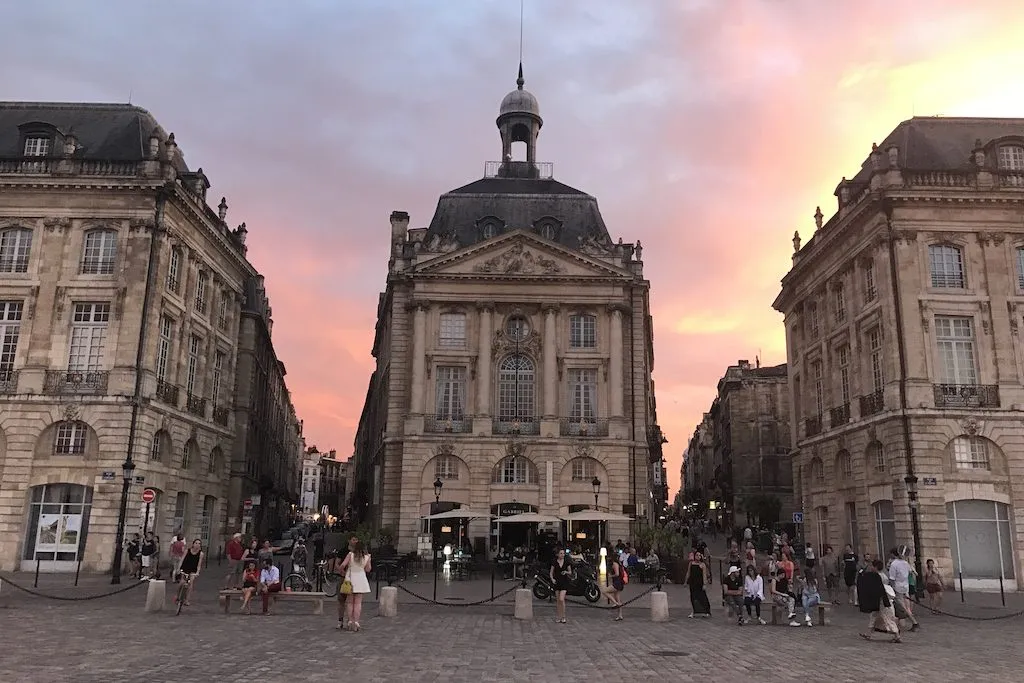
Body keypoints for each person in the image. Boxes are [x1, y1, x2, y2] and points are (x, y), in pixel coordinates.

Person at [858, 559, 900, 643]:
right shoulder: (881, 575)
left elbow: (880, 589)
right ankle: (868, 634)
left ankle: (897, 636)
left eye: (873, 566)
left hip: (882, 601)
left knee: (888, 618)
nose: (871, 568)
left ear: (876, 567)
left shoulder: (878, 576)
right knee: (873, 616)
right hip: (879, 600)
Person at [339, 538, 372, 631]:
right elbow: (368, 569)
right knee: (358, 602)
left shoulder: (350, 555)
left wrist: (342, 571)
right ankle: (356, 622)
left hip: (350, 578)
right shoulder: (367, 556)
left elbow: (342, 565)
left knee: (349, 602)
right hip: (361, 579)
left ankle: (350, 621)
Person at [888, 547, 920, 632]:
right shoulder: (905, 563)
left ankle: (914, 622)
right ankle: (899, 623)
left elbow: (892, 578)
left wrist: (892, 588)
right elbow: (910, 572)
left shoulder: (894, 564)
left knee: (902, 607)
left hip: (897, 587)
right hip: (905, 587)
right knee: (906, 607)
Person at [176, 539, 204, 606]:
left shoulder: (201, 554)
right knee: (182, 582)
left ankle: (187, 599)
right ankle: (177, 596)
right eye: (196, 543)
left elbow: (199, 564)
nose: (197, 545)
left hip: (192, 570)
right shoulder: (187, 551)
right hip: (185, 568)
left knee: (190, 583)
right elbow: (182, 559)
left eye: (199, 543)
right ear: (193, 544)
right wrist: (178, 568)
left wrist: (197, 572)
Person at [550, 548, 574, 624]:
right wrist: (552, 579)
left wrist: (566, 572)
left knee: (561, 599)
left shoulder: (566, 562)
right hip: (557, 582)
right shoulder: (554, 562)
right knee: (558, 601)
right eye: (561, 553)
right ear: (557, 554)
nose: (562, 555)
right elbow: (551, 572)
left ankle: (563, 616)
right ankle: (559, 616)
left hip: (564, 582)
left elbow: (570, 572)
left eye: (563, 553)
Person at [601, 547, 625, 621]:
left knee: (604, 591)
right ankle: (620, 615)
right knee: (618, 598)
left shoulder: (615, 564)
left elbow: (617, 574)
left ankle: (615, 603)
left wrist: (611, 576)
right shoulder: (619, 563)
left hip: (617, 582)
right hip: (619, 582)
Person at [685, 551, 712, 618]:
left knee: (702, 597)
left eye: (699, 555)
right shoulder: (691, 563)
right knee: (693, 597)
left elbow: (704, 575)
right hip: (692, 583)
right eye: (696, 555)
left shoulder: (702, 565)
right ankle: (694, 611)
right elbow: (688, 572)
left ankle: (707, 611)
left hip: (699, 583)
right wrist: (685, 581)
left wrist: (704, 584)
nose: (698, 557)